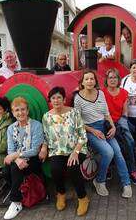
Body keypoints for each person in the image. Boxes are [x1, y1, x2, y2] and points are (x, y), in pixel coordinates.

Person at [74, 70, 132, 198]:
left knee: (118, 152)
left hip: (104, 126)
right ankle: (100, 180)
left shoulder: (100, 93)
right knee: (108, 152)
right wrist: (93, 130)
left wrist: (113, 127)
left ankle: (126, 183)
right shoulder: (78, 98)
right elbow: (77, 123)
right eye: (87, 79)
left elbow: (106, 113)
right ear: (82, 82)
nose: (90, 81)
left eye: (92, 79)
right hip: (90, 130)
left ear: (95, 81)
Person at [40, 87, 90, 216]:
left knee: (73, 167)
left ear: (64, 99)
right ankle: (61, 194)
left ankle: (83, 197)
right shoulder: (46, 117)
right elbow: (45, 136)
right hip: (57, 150)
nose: (56, 100)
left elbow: (82, 135)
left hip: (77, 149)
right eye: (53, 98)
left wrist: (76, 152)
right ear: (50, 100)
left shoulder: (74, 113)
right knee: (55, 169)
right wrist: (44, 148)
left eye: (59, 97)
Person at [3, 97, 43, 219]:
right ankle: (18, 188)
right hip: (18, 159)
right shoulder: (11, 128)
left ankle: (16, 202)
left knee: (15, 169)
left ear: (28, 110)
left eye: (23, 109)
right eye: (17, 110)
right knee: (6, 171)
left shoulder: (36, 125)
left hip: (33, 159)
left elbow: (35, 150)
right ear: (13, 113)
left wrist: (16, 155)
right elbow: (10, 149)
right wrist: (17, 158)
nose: (20, 113)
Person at [102, 68, 136, 185]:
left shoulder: (124, 92)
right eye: (110, 77)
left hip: (120, 120)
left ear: (118, 79)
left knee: (129, 143)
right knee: (107, 143)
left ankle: (132, 170)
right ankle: (107, 168)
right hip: (106, 122)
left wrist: (122, 122)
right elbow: (102, 112)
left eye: (115, 77)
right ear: (107, 80)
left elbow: (125, 112)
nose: (113, 80)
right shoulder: (102, 93)